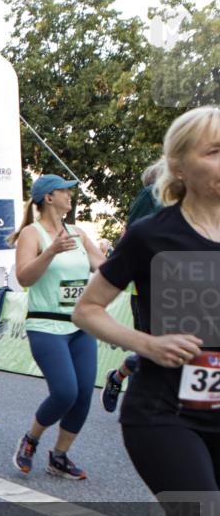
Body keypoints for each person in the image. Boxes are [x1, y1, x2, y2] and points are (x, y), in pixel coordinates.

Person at [74, 106, 220, 516]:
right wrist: (149, 344)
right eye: (212, 150)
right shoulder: (152, 235)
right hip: (165, 413)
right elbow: (88, 311)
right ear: (180, 167)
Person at [9, 175, 105, 479]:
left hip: (79, 326)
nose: (70, 196)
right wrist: (51, 251)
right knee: (65, 392)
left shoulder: (77, 232)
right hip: (46, 325)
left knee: (84, 394)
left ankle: (60, 457)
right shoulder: (31, 234)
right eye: (65, 191)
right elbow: (23, 278)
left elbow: (104, 267)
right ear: (48, 197)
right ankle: (31, 440)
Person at [102, 161, 166, 413]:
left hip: (185, 290)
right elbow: (135, 242)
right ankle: (124, 383)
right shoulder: (149, 196)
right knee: (155, 351)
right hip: (151, 292)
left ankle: (120, 377)